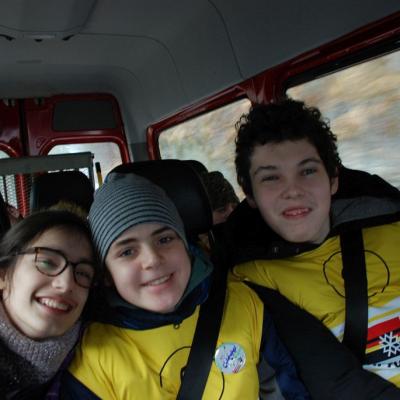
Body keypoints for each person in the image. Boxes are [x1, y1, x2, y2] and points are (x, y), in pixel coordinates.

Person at [61, 172, 309, 399]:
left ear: (186, 246)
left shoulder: (241, 302)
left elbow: (283, 390)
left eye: (165, 239)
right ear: (105, 274)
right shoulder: (94, 356)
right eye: (127, 251)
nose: (152, 259)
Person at [226, 98, 400, 398]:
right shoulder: (251, 279)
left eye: (307, 171)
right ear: (249, 194)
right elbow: (333, 382)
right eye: (270, 177)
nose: (292, 190)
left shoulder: (390, 224)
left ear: (332, 179)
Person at [0, 209, 97, 399]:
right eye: (47, 262)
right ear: (3, 275)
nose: (66, 284)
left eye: (83, 273)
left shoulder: (95, 353)